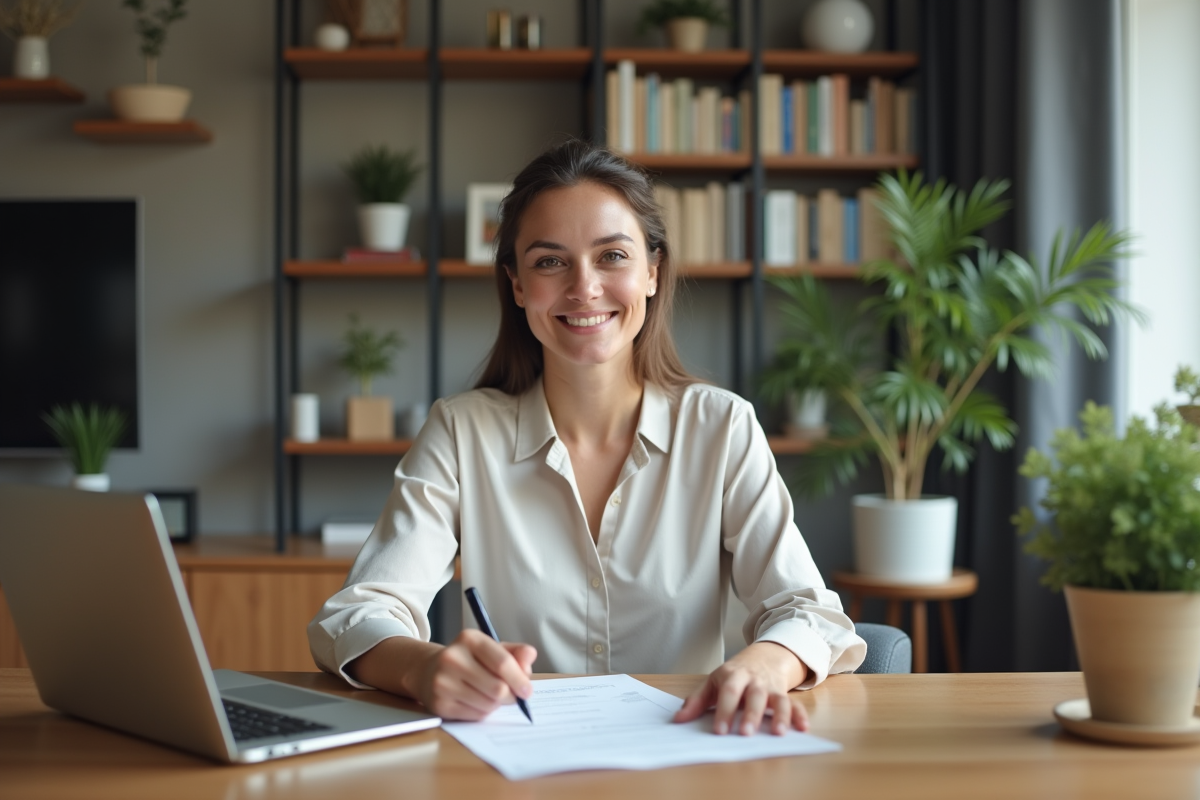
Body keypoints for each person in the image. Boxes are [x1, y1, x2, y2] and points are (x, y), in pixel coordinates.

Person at [308, 139, 865, 737]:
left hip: (686, 761)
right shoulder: (461, 431)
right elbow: (358, 612)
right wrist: (425, 668)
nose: (584, 287)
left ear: (652, 272)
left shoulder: (721, 427)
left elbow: (807, 610)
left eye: (612, 256)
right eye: (550, 261)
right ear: (518, 284)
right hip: (519, 767)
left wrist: (763, 663)